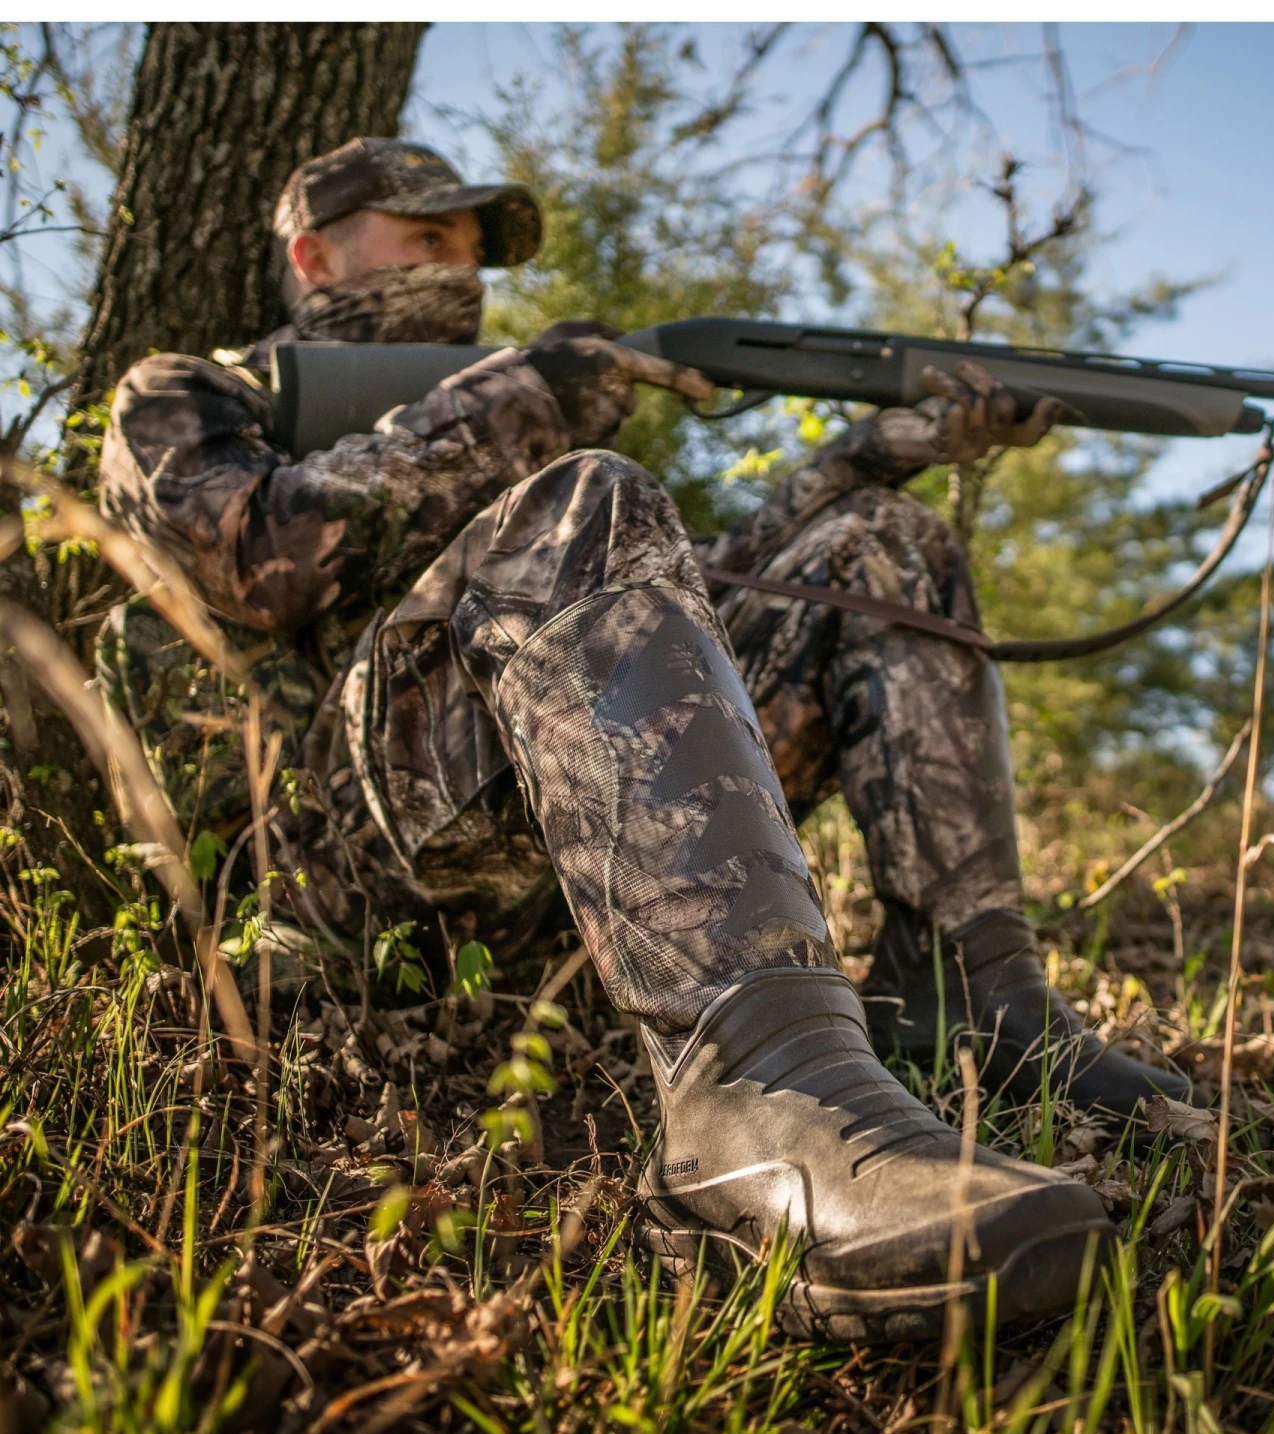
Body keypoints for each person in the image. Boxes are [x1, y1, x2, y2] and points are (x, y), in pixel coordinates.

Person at [97, 137, 1186, 1342]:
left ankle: (974, 997)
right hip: (323, 878)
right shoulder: (184, 396)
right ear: (313, 256)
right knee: (587, 495)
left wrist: (871, 458)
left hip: (546, 858)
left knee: (880, 541)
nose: (461, 271)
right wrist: (524, 396)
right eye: (429, 238)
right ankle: (754, 1110)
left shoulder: (492, 418)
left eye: (472, 250)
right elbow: (255, 561)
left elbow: (673, 619)